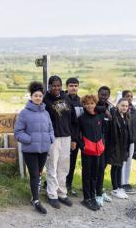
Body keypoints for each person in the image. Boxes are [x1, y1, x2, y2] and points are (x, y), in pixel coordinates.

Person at [14, 81, 54, 214]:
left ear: (42, 97)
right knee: (34, 175)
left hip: (43, 149)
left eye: (40, 96)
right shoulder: (24, 113)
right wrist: (30, 140)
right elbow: (18, 132)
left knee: (39, 173)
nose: (38, 98)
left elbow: (50, 129)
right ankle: (36, 200)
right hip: (30, 150)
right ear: (31, 97)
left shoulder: (46, 113)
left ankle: (34, 195)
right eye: (36, 95)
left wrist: (50, 139)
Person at [43, 75, 77, 209]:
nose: (56, 88)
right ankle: (52, 194)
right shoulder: (45, 101)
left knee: (64, 167)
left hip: (67, 137)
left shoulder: (66, 98)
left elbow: (73, 120)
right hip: (53, 138)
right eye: (54, 86)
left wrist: (74, 138)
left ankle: (62, 193)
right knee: (52, 166)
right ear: (49, 86)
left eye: (58, 85)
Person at [78, 95, 105, 211]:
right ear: (83, 105)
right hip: (87, 150)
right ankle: (86, 198)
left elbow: (103, 130)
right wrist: (82, 146)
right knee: (87, 174)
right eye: (87, 104)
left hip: (98, 150)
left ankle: (93, 196)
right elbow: (77, 134)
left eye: (92, 103)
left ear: (95, 104)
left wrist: (102, 142)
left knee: (95, 174)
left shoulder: (99, 116)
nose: (90, 105)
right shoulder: (81, 118)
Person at [108, 98, 131, 199]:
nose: (124, 107)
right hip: (115, 146)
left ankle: (120, 187)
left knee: (120, 166)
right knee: (115, 167)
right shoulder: (114, 115)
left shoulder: (126, 116)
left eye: (126, 106)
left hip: (123, 146)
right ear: (117, 105)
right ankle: (115, 188)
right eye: (122, 105)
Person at [95, 86, 114, 203]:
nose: (103, 97)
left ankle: (100, 190)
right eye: (101, 94)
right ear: (98, 94)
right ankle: (97, 193)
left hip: (108, 141)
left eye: (106, 95)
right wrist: (104, 111)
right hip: (98, 141)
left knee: (103, 167)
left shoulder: (111, 107)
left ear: (109, 95)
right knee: (99, 168)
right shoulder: (95, 106)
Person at [65, 77, 83, 196]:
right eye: (71, 85)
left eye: (76, 85)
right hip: (63, 136)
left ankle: (68, 186)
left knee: (71, 164)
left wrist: (75, 139)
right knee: (60, 163)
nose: (73, 88)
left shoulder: (80, 101)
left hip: (75, 138)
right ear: (67, 87)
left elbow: (78, 122)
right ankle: (55, 186)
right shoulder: (62, 100)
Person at [121, 90, 136, 194]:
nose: (130, 98)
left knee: (129, 161)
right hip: (123, 140)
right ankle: (121, 183)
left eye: (131, 96)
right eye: (128, 96)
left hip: (132, 139)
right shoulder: (119, 109)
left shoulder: (134, 110)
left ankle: (126, 182)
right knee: (122, 161)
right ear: (123, 97)